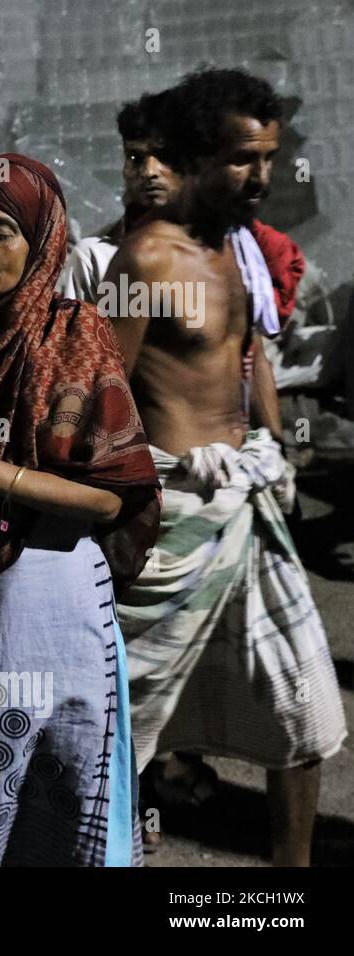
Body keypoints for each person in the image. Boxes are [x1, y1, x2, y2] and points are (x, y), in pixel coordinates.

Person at [105, 68, 346, 866]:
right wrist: (138, 494)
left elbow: (251, 359)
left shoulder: (235, 252)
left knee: (305, 711)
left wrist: (273, 451)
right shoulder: (142, 262)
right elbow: (102, 395)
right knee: (117, 726)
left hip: (247, 505)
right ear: (197, 158)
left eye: (271, 158)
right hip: (174, 519)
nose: (263, 177)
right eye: (244, 159)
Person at [0, 154, 161, 866]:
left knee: (64, 795)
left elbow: (111, 493)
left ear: (41, 243)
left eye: (0, 230)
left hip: (52, 604)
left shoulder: (72, 334)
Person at [57, 91, 182, 303]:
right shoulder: (94, 256)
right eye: (135, 158)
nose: (149, 171)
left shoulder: (221, 248)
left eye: (164, 156)